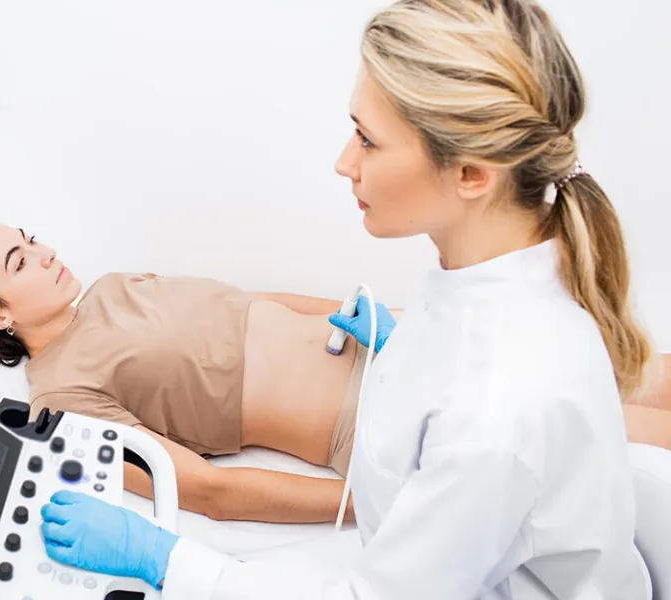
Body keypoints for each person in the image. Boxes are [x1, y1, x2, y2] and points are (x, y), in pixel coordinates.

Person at [32, 0, 667, 597]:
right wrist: (402, 352)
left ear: (473, 173)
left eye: (367, 139)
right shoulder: (493, 281)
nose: (344, 162)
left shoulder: (496, 410)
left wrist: (164, 558)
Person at [0, 219, 671, 525]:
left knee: (629, 370)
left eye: (30, 239)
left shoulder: (115, 286)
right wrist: (360, 504)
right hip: (369, 418)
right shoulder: (61, 397)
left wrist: (393, 324)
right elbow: (204, 489)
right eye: (19, 261)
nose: (45, 252)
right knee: (614, 430)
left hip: (400, 347)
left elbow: (253, 304)